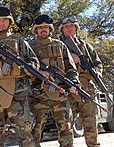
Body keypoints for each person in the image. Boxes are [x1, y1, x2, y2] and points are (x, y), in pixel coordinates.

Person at [0, 6, 37, 146]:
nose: (2, 23)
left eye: (5, 20)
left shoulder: (18, 40)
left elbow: (34, 63)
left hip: (18, 91)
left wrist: (22, 69)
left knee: (24, 132)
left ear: (9, 22)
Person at [29, 14, 80, 147]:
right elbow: (24, 68)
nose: (43, 30)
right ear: (36, 30)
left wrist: (74, 82)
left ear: (50, 29)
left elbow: (70, 68)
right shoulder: (29, 47)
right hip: (38, 96)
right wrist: (39, 72)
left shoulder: (60, 45)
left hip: (60, 94)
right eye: (40, 28)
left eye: (46, 27)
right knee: (34, 131)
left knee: (66, 130)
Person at [59, 15, 102, 147]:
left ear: (76, 28)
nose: (69, 29)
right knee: (66, 127)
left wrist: (96, 75)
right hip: (67, 89)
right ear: (62, 30)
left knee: (90, 125)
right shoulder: (57, 46)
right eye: (66, 27)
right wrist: (71, 59)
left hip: (86, 88)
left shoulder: (86, 47)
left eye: (72, 26)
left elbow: (98, 64)